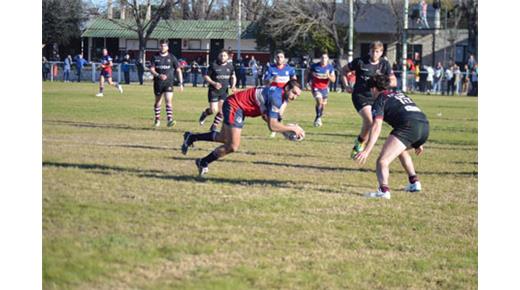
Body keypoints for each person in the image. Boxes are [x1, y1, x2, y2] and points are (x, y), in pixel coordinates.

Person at [181, 80, 304, 177]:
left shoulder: (277, 93)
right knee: (233, 146)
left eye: (297, 95)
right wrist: (292, 129)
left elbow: (266, 118)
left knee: (223, 138)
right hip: (235, 106)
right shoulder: (277, 97)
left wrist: (284, 130)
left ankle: (191, 137)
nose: (295, 97)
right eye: (294, 93)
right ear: (287, 88)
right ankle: (203, 162)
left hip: (237, 105)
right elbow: (272, 126)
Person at [354, 74, 429, 199]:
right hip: (424, 127)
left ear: (373, 89)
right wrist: (418, 141)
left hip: (409, 127)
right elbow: (412, 111)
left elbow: (376, 126)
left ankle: (383, 190)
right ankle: (414, 182)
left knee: (382, 161)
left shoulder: (380, 100)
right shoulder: (399, 94)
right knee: (400, 151)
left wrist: (367, 150)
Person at [341, 41, 396, 159]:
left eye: (377, 51)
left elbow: (394, 81)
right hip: (360, 96)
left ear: (381, 52)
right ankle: (361, 147)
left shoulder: (385, 64)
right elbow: (344, 70)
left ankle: (359, 142)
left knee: (369, 124)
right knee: (371, 121)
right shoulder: (360, 62)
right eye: (372, 51)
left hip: (377, 97)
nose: (374, 54)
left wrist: (383, 82)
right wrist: (346, 85)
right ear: (369, 51)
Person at [198, 49, 237, 132]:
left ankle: (214, 126)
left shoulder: (230, 66)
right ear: (218, 56)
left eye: (224, 55)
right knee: (213, 110)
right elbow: (206, 76)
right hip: (213, 91)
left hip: (224, 91)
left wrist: (233, 85)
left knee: (222, 111)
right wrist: (213, 83)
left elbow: (233, 77)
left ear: (228, 57)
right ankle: (205, 113)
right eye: (221, 55)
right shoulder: (214, 65)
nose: (223, 57)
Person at [150, 39, 184, 127]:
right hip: (158, 83)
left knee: (168, 101)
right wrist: (158, 75)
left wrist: (181, 83)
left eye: (164, 46)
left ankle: (170, 119)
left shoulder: (172, 57)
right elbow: (151, 69)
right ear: (159, 46)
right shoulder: (155, 57)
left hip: (169, 83)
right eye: (161, 45)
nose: (163, 47)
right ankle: (157, 119)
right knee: (158, 102)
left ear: (167, 47)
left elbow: (178, 70)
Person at [263, 50, 297, 137]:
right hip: (273, 95)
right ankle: (279, 127)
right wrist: (271, 79)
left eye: (281, 57)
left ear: (284, 59)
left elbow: (294, 81)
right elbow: (265, 82)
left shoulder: (289, 69)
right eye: (277, 57)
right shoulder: (271, 68)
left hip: (284, 95)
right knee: (265, 115)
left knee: (279, 113)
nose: (279, 59)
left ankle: (278, 129)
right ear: (275, 58)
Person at [307, 51, 336, 127]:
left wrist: (328, 76)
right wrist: (308, 81)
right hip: (316, 87)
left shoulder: (330, 68)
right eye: (322, 57)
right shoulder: (314, 66)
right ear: (320, 59)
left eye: (325, 57)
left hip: (325, 88)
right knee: (319, 102)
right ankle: (318, 117)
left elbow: (333, 80)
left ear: (328, 59)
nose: (324, 59)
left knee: (323, 104)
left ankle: (319, 116)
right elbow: (308, 73)